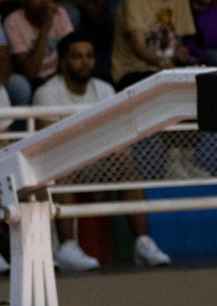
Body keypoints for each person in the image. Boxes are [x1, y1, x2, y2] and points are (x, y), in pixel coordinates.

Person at [33, 31, 171, 269]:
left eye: (89, 56)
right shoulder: (46, 93)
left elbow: (117, 135)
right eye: (76, 56)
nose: (84, 62)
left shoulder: (105, 89)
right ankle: (67, 247)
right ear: (63, 62)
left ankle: (143, 243)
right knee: (62, 165)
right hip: (59, 166)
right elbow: (48, 144)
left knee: (126, 163)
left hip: (97, 160)